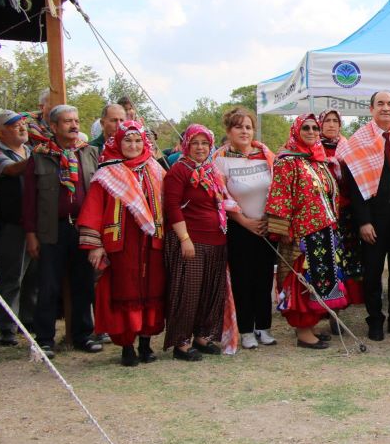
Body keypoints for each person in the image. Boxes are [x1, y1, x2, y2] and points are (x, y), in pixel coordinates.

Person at [77, 121, 165, 366]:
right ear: (118, 142)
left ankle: (146, 344)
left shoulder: (156, 170)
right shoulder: (106, 173)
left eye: (138, 141)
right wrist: (95, 245)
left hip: (152, 243)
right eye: (128, 140)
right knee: (123, 291)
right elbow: (93, 209)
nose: (133, 145)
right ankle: (127, 346)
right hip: (121, 244)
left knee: (152, 289)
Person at [22, 104, 102, 357]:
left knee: (84, 283)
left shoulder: (90, 153)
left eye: (76, 120)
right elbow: (29, 202)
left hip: (84, 227)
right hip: (51, 229)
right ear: (54, 126)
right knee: (48, 285)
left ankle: (82, 335)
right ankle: (44, 339)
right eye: (67, 121)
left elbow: (99, 194)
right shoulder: (39, 156)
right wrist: (31, 234)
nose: (74, 125)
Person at [338, 91, 390, 341]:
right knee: (372, 273)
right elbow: (354, 186)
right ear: (371, 108)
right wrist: (363, 221)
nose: (385, 108)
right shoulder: (358, 140)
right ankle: (374, 320)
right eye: (380, 104)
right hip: (373, 218)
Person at [265, 114, 347, 350]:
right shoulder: (287, 161)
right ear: (296, 131)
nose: (312, 132)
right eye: (306, 128)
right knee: (299, 282)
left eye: (315, 128)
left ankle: (310, 327)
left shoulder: (318, 161)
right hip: (300, 236)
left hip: (323, 233)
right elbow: (279, 198)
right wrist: (284, 232)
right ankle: (302, 331)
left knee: (320, 280)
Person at [163, 124, 238, 361]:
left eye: (205, 143)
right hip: (191, 239)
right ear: (186, 145)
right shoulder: (179, 171)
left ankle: (203, 336)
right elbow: (172, 207)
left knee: (211, 291)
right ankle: (181, 342)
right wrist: (184, 239)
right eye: (195, 143)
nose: (200, 148)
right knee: (188, 292)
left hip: (216, 238)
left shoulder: (211, 171)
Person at [214, 107, 277, 349]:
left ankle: (264, 326)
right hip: (239, 228)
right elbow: (221, 196)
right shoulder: (220, 159)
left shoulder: (265, 155)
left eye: (248, 127)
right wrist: (245, 222)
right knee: (243, 280)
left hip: (265, 226)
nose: (244, 131)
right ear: (229, 131)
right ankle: (246, 329)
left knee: (263, 278)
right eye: (239, 126)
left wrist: (267, 219)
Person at [0, 111, 38, 346]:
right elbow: (11, 170)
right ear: (1, 131)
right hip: (11, 225)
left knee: (34, 276)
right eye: (15, 125)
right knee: (11, 277)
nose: (22, 127)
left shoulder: (29, 150)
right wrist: (41, 156)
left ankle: (28, 320)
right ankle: (7, 327)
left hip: (35, 224)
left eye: (23, 123)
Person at [318, 108, 364, 314]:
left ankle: (352, 295)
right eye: (327, 120)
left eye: (335, 121)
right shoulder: (312, 148)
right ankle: (328, 297)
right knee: (328, 253)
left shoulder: (347, 147)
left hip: (347, 208)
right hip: (322, 210)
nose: (331, 125)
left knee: (350, 251)